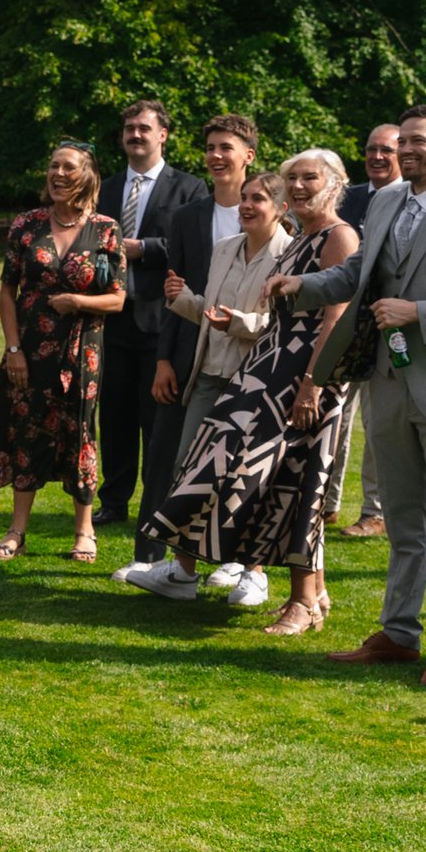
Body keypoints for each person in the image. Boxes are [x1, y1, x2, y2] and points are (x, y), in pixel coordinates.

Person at [269, 105, 426, 687]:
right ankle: (399, 633)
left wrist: (420, 313)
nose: (404, 150)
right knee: (404, 520)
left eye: (417, 141)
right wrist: (302, 285)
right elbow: (359, 277)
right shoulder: (383, 201)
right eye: (401, 140)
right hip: (389, 378)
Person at [130, 157, 361, 633]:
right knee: (236, 467)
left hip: (302, 377)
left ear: (335, 186)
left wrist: (312, 384)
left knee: (300, 482)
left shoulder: (339, 236)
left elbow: (335, 317)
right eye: (292, 179)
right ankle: (297, 591)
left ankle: (300, 600)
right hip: (268, 370)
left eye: (308, 179)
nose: (297, 186)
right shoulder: (301, 237)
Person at [119, 113, 258, 581]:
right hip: (185, 352)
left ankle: (231, 560)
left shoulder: (266, 210)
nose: (217, 157)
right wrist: (162, 359)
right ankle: (150, 556)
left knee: (236, 458)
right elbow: (173, 291)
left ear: (248, 157)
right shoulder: (189, 215)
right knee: (166, 454)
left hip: (246, 354)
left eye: (227, 149)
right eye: (212, 148)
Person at [0, 143, 127, 560]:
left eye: (68, 167)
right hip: (28, 350)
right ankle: (16, 531)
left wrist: (78, 302)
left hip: (82, 352)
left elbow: (118, 299)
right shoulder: (27, 224)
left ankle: (84, 531)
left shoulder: (105, 229)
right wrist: (13, 349)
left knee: (80, 432)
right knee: (27, 429)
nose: (58, 174)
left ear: (87, 175)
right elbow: (7, 290)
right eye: (53, 166)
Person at [96, 100, 207, 526]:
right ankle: (114, 500)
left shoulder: (190, 189)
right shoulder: (104, 188)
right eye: (129, 128)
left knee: (157, 416)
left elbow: (191, 245)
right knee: (115, 412)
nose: (135, 135)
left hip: (162, 319)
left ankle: (157, 499)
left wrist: (143, 248)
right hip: (110, 316)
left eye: (144, 128)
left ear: (163, 135)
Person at [335, 124, 402, 537]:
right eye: (370, 149)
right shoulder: (349, 198)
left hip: (384, 327)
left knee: (377, 425)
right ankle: (325, 502)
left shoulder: (409, 202)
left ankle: (374, 511)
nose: (377, 157)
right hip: (341, 321)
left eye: (386, 151)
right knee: (335, 417)